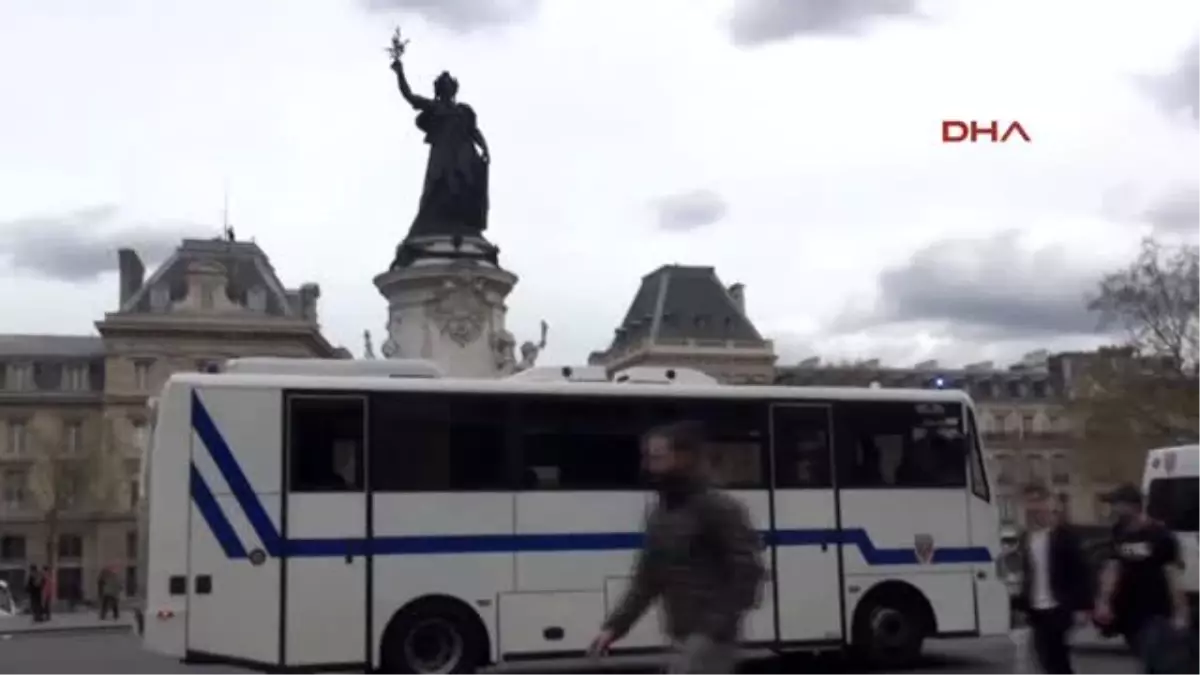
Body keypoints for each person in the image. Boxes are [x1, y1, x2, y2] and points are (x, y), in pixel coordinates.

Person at [587, 421, 766, 675]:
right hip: (683, 635)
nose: (648, 466)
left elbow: (748, 573)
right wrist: (614, 628)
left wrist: (711, 630)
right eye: (647, 457)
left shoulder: (718, 508)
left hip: (711, 639)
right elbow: (647, 579)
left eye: (657, 457)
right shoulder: (661, 513)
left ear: (685, 458)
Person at [1094, 484, 1191, 674]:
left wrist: (1181, 612)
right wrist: (1103, 601)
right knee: (1145, 656)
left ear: (1133, 506)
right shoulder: (1118, 532)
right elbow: (1113, 566)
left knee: (1156, 660)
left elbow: (1172, 574)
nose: (1112, 509)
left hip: (1155, 611)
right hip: (1128, 612)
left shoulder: (1160, 536)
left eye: (1116, 504)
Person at [1013, 482, 1093, 675]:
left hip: (1059, 606)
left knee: (1056, 658)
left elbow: (1080, 571)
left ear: (1048, 504)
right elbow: (1028, 574)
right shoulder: (1026, 537)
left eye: (1037, 501)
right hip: (1036, 609)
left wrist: (1083, 607)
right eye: (1028, 502)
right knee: (1044, 657)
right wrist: (1022, 606)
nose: (1033, 507)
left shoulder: (1064, 536)